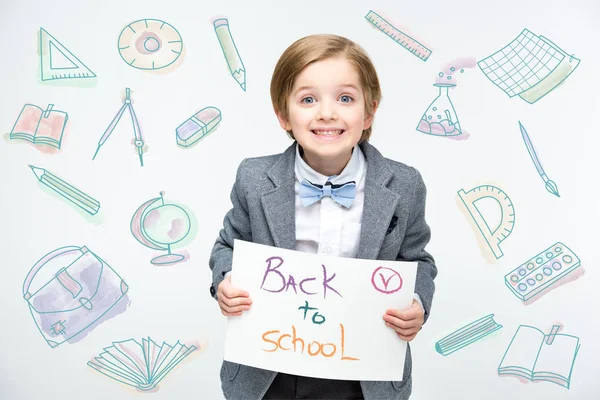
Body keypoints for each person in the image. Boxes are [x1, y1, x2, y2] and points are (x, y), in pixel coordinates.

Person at [209, 33, 437, 400]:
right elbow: (226, 246)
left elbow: (417, 260)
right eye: (308, 99)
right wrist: (226, 281)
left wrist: (418, 303)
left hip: (363, 373)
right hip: (271, 368)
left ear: (370, 111)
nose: (327, 112)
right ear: (283, 113)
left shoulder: (404, 185)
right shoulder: (253, 178)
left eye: (345, 98)